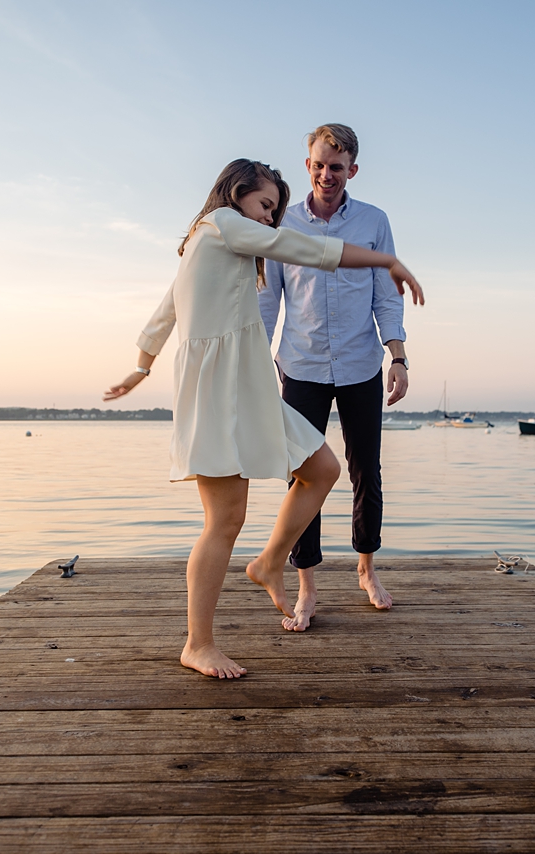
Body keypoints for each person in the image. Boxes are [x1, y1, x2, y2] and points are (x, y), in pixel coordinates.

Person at [104, 159, 423, 679]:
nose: (271, 220)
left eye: (275, 211)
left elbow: (164, 313)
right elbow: (304, 249)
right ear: (235, 194)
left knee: (322, 469)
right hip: (219, 394)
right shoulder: (223, 225)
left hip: (247, 386)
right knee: (225, 521)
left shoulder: (213, 241)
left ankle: (269, 562)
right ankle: (198, 643)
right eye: (266, 206)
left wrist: (141, 367)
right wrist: (385, 259)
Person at [260, 124, 424, 632]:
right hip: (301, 367)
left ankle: (366, 570)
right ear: (306, 165)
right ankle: (307, 586)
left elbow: (386, 296)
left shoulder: (374, 221)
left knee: (365, 472)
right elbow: (268, 301)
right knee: (302, 477)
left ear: (352, 169)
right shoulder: (281, 224)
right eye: (318, 164)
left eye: (337, 166)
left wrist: (398, 357)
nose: (327, 174)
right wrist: (255, 367)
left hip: (358, 366)